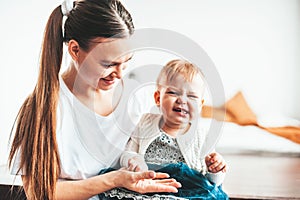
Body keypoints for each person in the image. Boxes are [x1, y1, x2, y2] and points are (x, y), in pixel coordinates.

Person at [8, 0, 181, 199]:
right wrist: (115, 179)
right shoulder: (43, 108)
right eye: (108, 64)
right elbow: (39, 193)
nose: (119, 74)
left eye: (126, 62)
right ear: (75, 50)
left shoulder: (135, 97)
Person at [110, 59, 229, 199]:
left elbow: (210, 183)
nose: (182, 100)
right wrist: (134, 160)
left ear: (200, 105)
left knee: (211, 195)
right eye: (173, 92)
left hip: (186, 191)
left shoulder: (202, 136)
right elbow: (127, 152)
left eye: (191, 96)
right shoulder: (145, 123)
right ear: (158, 98)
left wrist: (215, 170)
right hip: (148, 186)